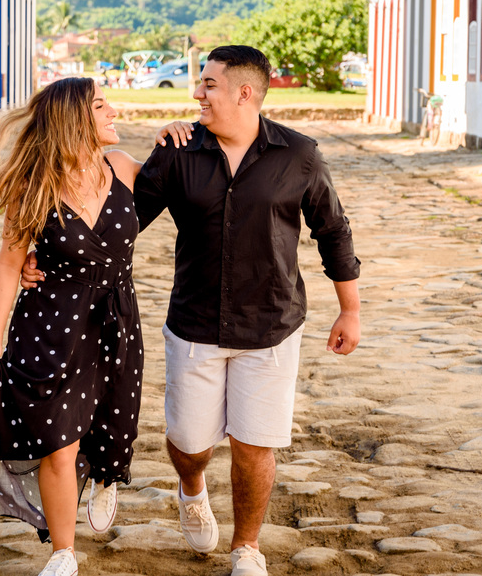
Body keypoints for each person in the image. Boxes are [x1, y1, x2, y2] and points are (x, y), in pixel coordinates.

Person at [22, 45, 361, 576]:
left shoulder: (298, 155)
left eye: (208, 85)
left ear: (244, 93)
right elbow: (114, 218)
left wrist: (350, 310)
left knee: (255, 446)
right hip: (194, 326)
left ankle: (246, 549)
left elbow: (334, 232)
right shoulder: (177, 153)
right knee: (189, 442)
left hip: (271, 326)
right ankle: (191, 485)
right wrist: (41, 254)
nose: (196, 93)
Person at [0, 77, 149, 576]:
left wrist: (179, 133)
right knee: (56, 440)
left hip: (115, 322)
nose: (113, 113)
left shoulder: (126, 169)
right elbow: (7, 262)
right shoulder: (33, 186)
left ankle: (107, 477)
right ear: (73, 120)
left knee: (110, 423)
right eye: (101, 106)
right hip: (50, 326)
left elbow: (187, 193)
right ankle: (64, 554)